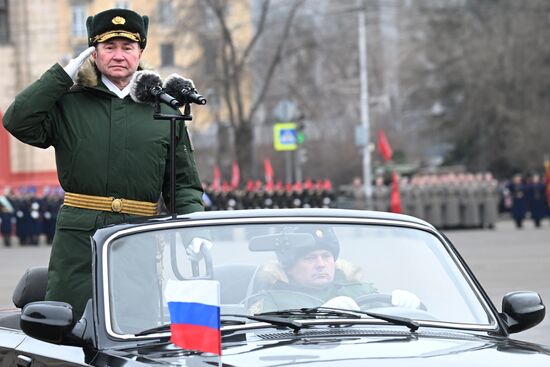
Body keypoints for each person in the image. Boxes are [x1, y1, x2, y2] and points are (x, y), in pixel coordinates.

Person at [2, 8, 204, 317]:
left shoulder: (165, 112)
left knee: (137, 324)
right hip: (79, 240)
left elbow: (183, 184)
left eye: (128, 47)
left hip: (138, 236)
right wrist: (61, 76)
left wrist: (195, 228)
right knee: (67, 325)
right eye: (109, 47)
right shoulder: (70, 103)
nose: (119, 55)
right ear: (94, 54)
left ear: (140, 52)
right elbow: (17, 121)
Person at [247, 226, 421, 314]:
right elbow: (262, 338)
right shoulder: (270, 301)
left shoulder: (359, 289)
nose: (321, 264)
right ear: (289, 267)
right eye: (310, 258)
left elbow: (388, 323)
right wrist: (317, 318)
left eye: (326, 256)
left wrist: (410, 307)